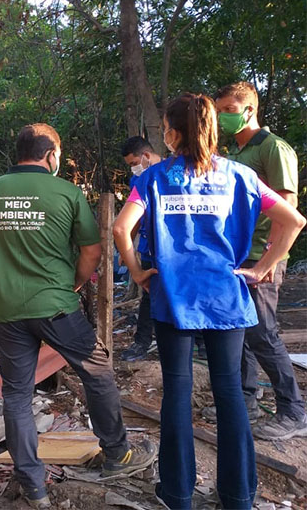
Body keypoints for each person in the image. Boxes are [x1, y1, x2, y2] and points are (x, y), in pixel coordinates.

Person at [113, 94, 305, 510]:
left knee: (177, 392)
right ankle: (238, 497)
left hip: (173, 299)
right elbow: (294, 221)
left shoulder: (153, 179)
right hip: (226, 299)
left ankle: (178, 494)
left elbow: (120, 229)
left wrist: (138, 271)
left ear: (173, 133)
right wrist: (262, 267)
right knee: (230, 392)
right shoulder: (240, 176)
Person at [0, 123, 156, 509]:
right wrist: (73, 283)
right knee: (98, 370)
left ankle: (33, 487)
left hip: (9, 310)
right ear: (51, 155)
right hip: (56, 306)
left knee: (17, 395)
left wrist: (7, 276)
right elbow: (92, 251)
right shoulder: (66, 192)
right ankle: (118, 454)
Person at [210, 81, 306, 439]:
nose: (222, 118)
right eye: (219, 111)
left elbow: (288, 210)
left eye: (230, 111)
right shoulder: (237, 153)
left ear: (250, 110)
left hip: (263, 257)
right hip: (240, 255)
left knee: (263, 332)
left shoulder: (273, 149)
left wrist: (268, 263)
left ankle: (293, 410)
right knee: (243, 330)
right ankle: (246, 399)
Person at [119, 136, 162, 361]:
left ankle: (202, 342)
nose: (133, 168)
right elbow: (131, 219)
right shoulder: (136, 181)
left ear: (146, 156)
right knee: (148, 295)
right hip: (148, 247)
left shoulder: (170, 172)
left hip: (171, 248)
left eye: (133, 162)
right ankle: (141, 342)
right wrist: (125, 247)